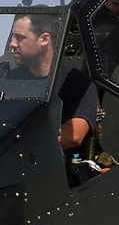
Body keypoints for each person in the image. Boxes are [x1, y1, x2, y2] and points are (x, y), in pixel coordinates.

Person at [8, 13, 98, 151]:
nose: (12, 43)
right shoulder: (10, 80)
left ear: (44, 39)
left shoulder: (77, 83)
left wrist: (19, 134)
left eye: (19, 37)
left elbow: (73, 136)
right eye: (13, 36)